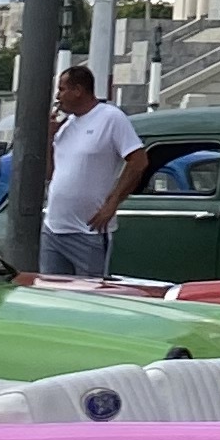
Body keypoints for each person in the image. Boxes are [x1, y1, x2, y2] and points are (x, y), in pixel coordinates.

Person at [40, 62, 150, 278]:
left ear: (78, 90)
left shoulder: (110, 117)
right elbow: (50, 174)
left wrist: (112, 203)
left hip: (88, 231)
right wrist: (48, 138)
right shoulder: (67, 125)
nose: (58, 97)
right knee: (51, 294)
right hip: (54, 228)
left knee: (90, 294)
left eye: (62, 89)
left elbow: (139, 160)